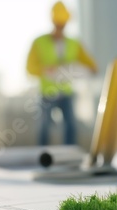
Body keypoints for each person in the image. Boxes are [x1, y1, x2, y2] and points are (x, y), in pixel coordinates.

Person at [26, 1, 97, 145]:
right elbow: (29, 68)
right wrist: (45, 70)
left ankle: (68, 156)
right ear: (53, 22)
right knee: (44, 126)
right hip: (47, 93)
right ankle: (43, 155)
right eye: (58, 24)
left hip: (66, 92)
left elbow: (92, 66)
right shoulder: (39, 42)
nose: (60, 27)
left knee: (70, 126)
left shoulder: (74, 43)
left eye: (62, 24)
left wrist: (82, 69)